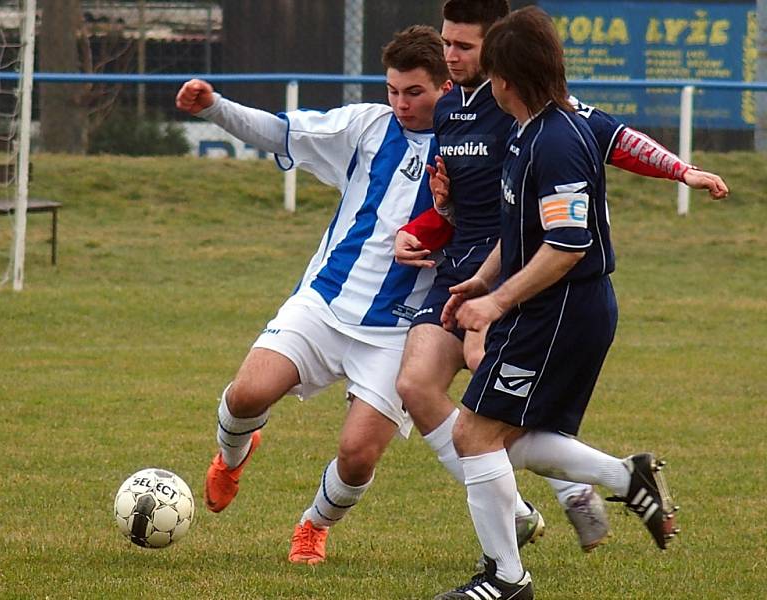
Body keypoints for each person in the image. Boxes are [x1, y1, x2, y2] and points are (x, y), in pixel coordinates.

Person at [394, 0, 728, 554]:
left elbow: (609, 149)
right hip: (481, 270)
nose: (449, 55)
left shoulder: (551, 124)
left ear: (499, 60)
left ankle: (519, 549)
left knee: (483, 422)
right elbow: (479, 205)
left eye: (463, 46)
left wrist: (681, 170)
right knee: (432, 395)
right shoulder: (457, 111)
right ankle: (594, 488)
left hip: (539, 289)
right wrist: (436, 228)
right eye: (445, 42)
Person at [174, 26, 453, 566]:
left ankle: (313, 526)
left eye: (413, 92)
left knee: (357, 455)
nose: (400, 103)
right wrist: (213, 107)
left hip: (398, 330)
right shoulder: (367, 126)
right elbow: (279, 133)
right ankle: (232, 457)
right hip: (325, 303)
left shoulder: (471, 147)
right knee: (246, 395)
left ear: (445, 85)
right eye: (393, 90)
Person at [434, 8, 680, 598]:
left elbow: (567, 247)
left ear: (507, 81)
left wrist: (495, 306)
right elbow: (520, 231)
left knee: (473, 435)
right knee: (512, 439)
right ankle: (627, 478)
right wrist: (482, 282)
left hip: (560, 308)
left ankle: (505, 579)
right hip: (555, 306)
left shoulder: (558, 142)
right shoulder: (529, 130)